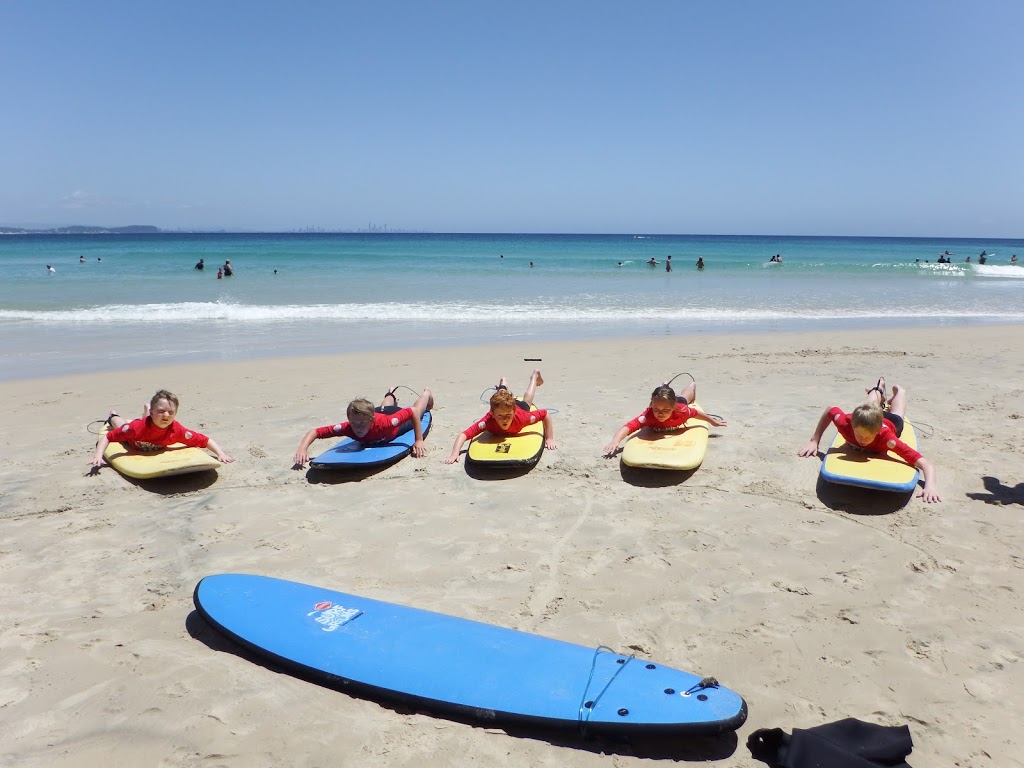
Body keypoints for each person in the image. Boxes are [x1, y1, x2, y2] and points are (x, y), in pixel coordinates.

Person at [797, 377, 940, 502]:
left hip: (891, 422)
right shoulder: (845, 423)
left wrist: (930, 487)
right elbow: (830, 410)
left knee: (898, 413)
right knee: (869, 405)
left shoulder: (887, 439)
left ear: (877, 432)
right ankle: (879, 389)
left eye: (868, 437)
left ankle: (899, 392)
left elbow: (926, 465)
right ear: (852, 426)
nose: (863, 440)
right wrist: (814, 440)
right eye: (859, 435)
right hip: (867, 417)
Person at [92, 389, 235, 469]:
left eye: (171, 412)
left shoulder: (177, 431)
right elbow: (108, 437)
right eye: (161, 411)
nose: (166, 415)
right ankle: (113, 414)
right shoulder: (135, 428)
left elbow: (205, 440)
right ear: (155, 411)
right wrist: (98, 456)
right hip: (133, 439)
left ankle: (147, 410)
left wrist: (221, 454)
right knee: (121, 424)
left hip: (149, 420)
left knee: (153, 420)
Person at [293, 386, 433, 467]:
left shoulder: (388, 423)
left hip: (394, 424)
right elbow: (315, 431)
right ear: (349, 420)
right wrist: (302, 449)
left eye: (362, 424)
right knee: (383, 407)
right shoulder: (347, 427)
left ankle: (426, 393)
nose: (357, 427)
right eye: (354, 423)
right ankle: (390, 392)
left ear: (371, 420)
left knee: (419, 411)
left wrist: (419, 439)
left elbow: (412, 412)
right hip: (378, 412)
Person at [445, 370, 555, 464]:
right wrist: (455, 453)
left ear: (513, 412)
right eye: (500, 416)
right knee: (500, 398)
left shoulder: (522, 418)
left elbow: (546, 414)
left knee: (527, 401)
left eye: (508, 416)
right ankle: (503, 384)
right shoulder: (487, 421)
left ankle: (534, 376)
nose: (505, 419)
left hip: (518, 408)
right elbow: (464, 435)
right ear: (492, 414)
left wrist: (549, 438)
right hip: (502, 407)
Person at [602, 379, 726, 457]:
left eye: (666, 410)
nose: (660, 414)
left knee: (685, 396)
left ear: (673, 408)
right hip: (662, 401)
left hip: (679, 401)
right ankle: (663, 387)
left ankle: (691, 385)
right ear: (652, 406)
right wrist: (615, 441)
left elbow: (697, 413)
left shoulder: (682, 411)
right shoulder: (648, 416)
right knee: (659, 400)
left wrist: (713, 422)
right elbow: (629, 427)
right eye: (656, 409)